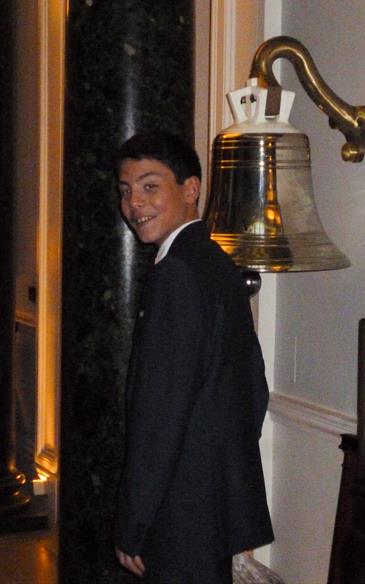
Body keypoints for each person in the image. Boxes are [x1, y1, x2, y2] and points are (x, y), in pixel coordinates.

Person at [113, 131, 274, 583]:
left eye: (149, 186)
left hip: (179, 507)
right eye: (126, 191)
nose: (134, 204)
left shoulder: (176, 275)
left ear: (191, 188)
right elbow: (254, 386)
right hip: (212, 498)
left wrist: (134, 520)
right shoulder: (217, 263)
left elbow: (160, 414)